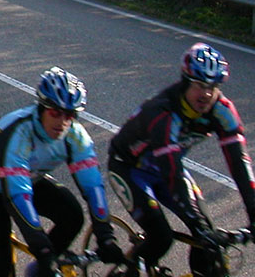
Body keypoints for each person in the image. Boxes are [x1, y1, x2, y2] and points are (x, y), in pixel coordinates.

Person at [108, 43, 255, 277]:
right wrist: (197, 224)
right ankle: (124, 272)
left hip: (167, 168)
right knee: (161, 236)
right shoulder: (164, 112)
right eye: (199, 85)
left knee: (209, 241)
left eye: (212, 87)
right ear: (186, 82)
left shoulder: (222, 110)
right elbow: (172, 174)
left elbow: (239, 163)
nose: (206, 94)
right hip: (129, 168)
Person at [0, 68, 127, 277]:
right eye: (55, 112)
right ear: (42, 108)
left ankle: (37, 273)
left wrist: (106, 235)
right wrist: (42, 248)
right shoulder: (20, 132)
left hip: (27, 178)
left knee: (72, 214)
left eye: (69, 115)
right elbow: (17, 195)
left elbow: (93, 185)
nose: (62, 121)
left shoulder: (75, 135)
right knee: (1, 270)